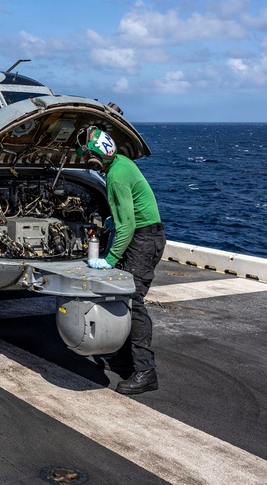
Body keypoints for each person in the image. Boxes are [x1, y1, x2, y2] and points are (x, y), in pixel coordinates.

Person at [84, 128, 165, 395]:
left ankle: (145, 371)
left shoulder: (116, 176)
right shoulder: (121, 162)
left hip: (143, 240)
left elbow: (128, 225)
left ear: (96, 157)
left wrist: (110, 258)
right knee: (120, 297)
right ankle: (122, 357)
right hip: (142, 236)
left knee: (134, 300)